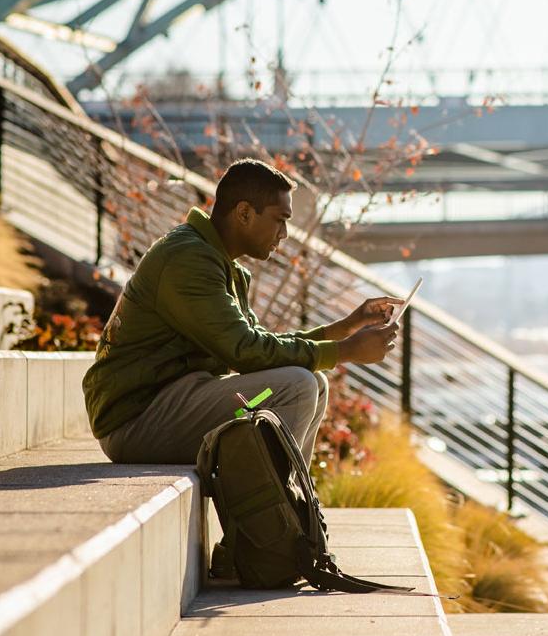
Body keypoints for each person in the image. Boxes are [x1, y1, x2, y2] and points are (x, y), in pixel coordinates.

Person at [83, 158, 401, 467]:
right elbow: (246, 353)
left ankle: (293, 504)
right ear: (245, 213)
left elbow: (258, 345)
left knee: (315, 383)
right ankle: (274, 512)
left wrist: (348, 326)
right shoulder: (188, 260)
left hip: (170, 402)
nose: (285, 234)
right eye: (280, 219)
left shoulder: (216, 262)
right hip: (136, 420)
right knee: (298, 386)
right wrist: (347, 351)